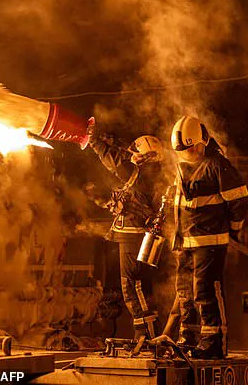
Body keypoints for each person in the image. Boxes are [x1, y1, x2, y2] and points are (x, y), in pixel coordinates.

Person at [169, 115, 248, 359]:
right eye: (184, 150)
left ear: (201, 141)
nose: (188, 153)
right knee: (185, 291)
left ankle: (214, 342)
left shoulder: (217, 165)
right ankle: (188, 337)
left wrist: (234, 230)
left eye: (191, 148)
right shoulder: (182, 166)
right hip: (186, 241)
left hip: (210, 241)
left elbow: (240, 201)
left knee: (205, 290)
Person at [89, 128, 165, 345]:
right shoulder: (152, 174)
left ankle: (147, 337)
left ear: (145, 157)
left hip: (134, 236)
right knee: (138, 287)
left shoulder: (140, 174)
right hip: (138, 236)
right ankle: (146, 335)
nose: (132, 155)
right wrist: (112, 139)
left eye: (136, 153)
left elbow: (114, 163)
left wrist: (95, 142)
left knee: (133, 286)